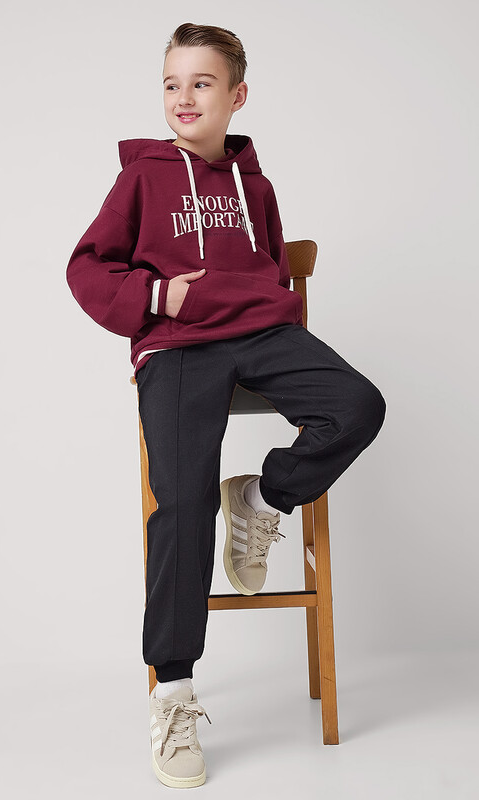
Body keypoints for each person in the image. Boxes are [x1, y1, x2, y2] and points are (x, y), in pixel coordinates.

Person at [66, 22, 386, 789]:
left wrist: (276, 329)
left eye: (201, 83)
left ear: (236, 96)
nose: (183, 97)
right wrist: (155, 297)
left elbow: (268, 266)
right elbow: (87, 267)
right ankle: (173, 694)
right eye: (171, 83)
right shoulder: (141, 179)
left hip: (263, 334)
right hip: (178, 346)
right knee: (181, 506)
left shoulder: (256, 187)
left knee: (357, 405)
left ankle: (259, 499)